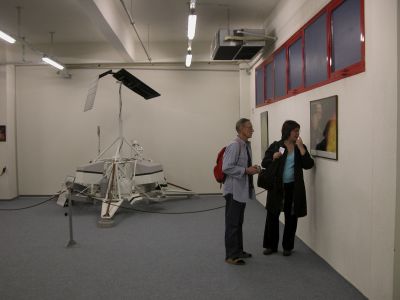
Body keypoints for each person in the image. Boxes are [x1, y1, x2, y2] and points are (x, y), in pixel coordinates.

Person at [261, 120, 314, 256]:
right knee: (272, 215)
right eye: (295, 131)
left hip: (293, 187)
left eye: (298, 131)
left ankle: (287, 247)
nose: (297, 133)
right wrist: (273, 157)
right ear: (288, 131)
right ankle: (271, 246)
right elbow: (265, 163)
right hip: (277, 187)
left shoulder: (299, 147)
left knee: (291, 217)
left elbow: (308, 164)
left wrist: (302, 148)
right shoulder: (276, 146)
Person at [222, 118, 260, 265]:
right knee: (232, 223)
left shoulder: (245, 145)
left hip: (241, 190)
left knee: (238, 222)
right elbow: (226, 167)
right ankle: (231, 256)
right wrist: (246, 170)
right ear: (241, 129)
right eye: (249, 127)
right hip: (233, 191)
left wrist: (251, 168)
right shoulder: (234, 145)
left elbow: (241, 166)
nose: (252, 130)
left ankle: (238, 251)